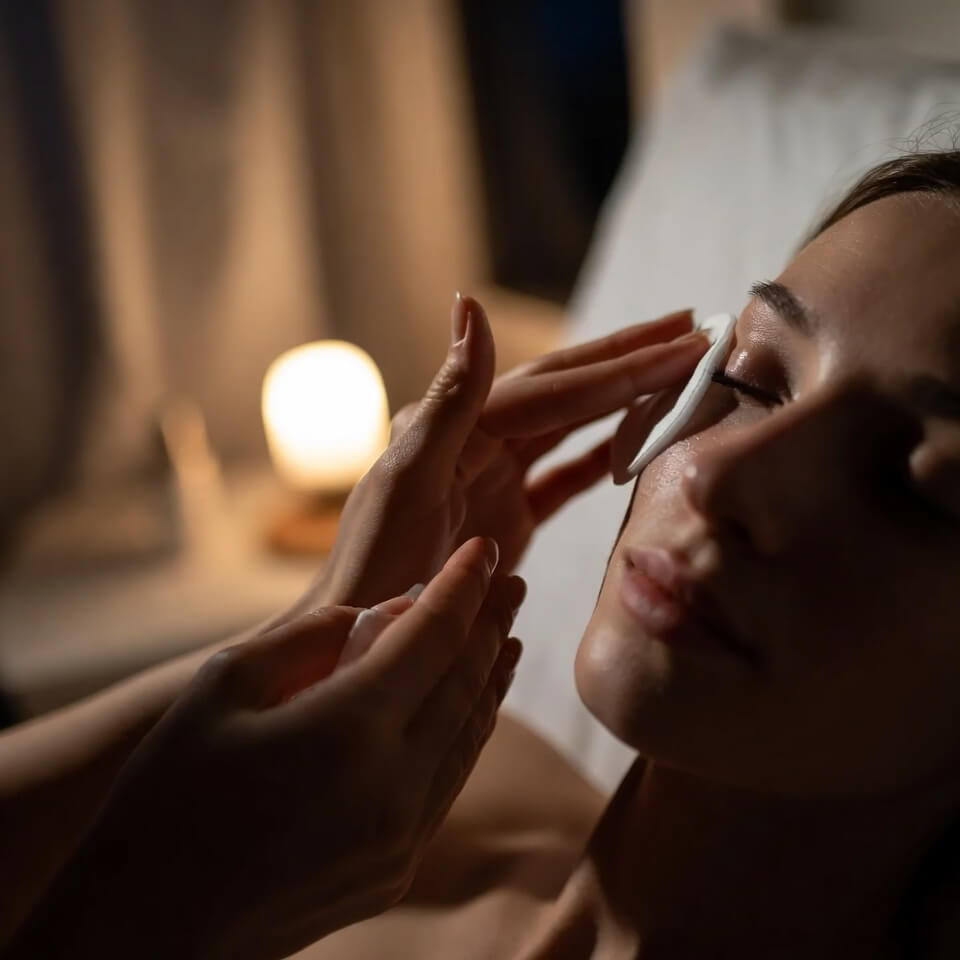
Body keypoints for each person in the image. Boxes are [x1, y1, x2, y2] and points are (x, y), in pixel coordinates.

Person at [276, 149, 960, 960]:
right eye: (748, 379)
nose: (714, 472)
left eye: (915, 483)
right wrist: (310, 635)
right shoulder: (406, 807)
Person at [0, 294, 710, 958]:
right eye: (745, 388)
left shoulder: (390, 803)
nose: (714, 477)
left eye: (831, 454)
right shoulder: (456, 785)